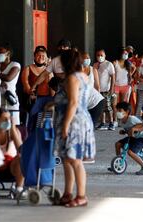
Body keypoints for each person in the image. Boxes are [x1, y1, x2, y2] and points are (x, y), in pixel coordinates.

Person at [54, 49, 95, 207]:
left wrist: (65, 125)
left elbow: (72, 102)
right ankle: (67, 193)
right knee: (67, 159)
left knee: (75, 159)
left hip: (74, 121)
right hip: (82, 119)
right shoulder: (83, 75)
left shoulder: (72, 78)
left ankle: (81, 195)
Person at [113, 102, 143, 175]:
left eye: (120, 110)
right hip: (133, 137)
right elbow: (128, 130)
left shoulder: (132, 119)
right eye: (117, 110)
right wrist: (124, 132)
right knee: (118, 144)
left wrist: (135, 128)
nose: (118, 112)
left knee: (130, 152)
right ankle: (119, 162)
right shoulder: (121, 121)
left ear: (127, 112)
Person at [21, 46, 53, 114]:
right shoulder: (28, 68)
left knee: (44, 120)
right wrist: (31, 93)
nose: (41, 57)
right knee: (33, 119)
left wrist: (53, 100)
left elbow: (52, 87)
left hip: (46, 99)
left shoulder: (49, 70)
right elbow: (25, 83)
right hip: (32, 99)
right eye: (38, 55)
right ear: (34, 57)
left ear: (46, 57)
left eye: (43, 56)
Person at [0, 44, 21, 125]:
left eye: (1, 52)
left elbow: (8, 78)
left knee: (13, 125)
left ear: (8, 53)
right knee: (0, 126)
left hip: (10, 99)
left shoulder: (15, 65)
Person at [94, 49, 116, 131]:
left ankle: (111, 123)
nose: (99, 57)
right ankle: (102, 123)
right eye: (98, 55)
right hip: (98, 90)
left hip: (106, 90)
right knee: (100, 107)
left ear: (105, 56)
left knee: (108, 107)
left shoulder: (108, 64)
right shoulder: (95, 65)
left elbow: (113, 77)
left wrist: (112, 89)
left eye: (101, 55)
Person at [82, 52, 105, 125]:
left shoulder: (93, 70)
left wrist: (97, 95)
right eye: (84, 58)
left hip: (93, 98)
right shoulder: (78, 70)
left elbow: (97, 85)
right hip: (83, 99)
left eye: (88, 58)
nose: (87, 60)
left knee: (90, 124)